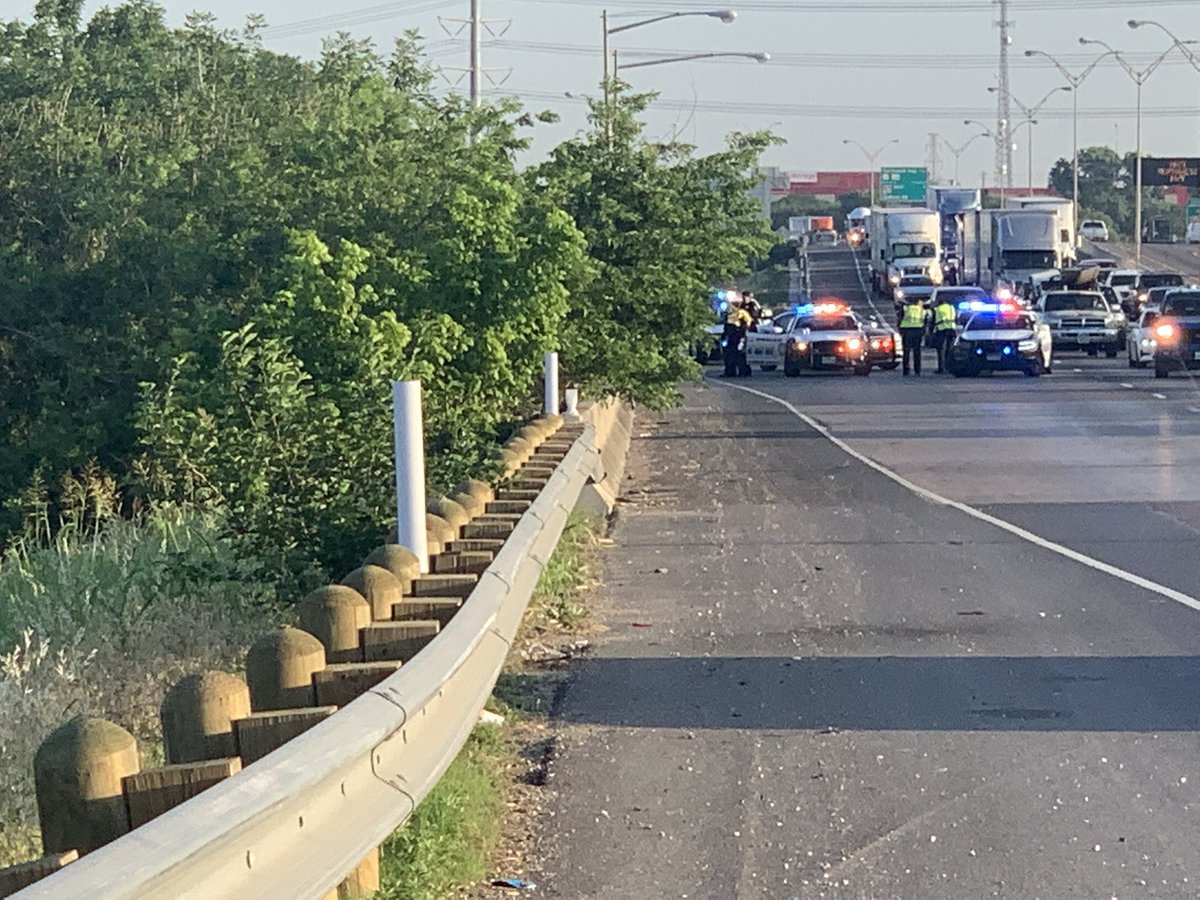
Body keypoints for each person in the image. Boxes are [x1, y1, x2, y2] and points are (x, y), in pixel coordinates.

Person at [897, 296, 930, 376]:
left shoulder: (905, 309)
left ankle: (906, 370)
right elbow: (926, 322)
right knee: (917, 351)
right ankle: (917, 370)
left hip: (906, 330)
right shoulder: (923, 311)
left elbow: (899, 319)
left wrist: (900, 330)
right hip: (918, 330)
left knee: (906, 351)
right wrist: (923, 331)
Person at [722, 297, 754, 377]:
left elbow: (748, 323)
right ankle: (729, 371)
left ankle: (743, 371)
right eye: (733, 303)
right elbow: (725, 325)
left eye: (736, 303)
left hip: (739, 335)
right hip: (730, 336)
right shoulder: (728, 312)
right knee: (728, 354)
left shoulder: (742, 313)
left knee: (740, 354)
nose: (734, 305)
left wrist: (744, 334)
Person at [931, 293, 957, 374]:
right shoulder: (951, 308)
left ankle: (941, 368)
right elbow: (956, 319)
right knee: (949, 350)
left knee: (940, 350)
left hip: (941, 330)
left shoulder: (938, 309)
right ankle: (949, 367)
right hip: (952, 330)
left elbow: (933, 321)